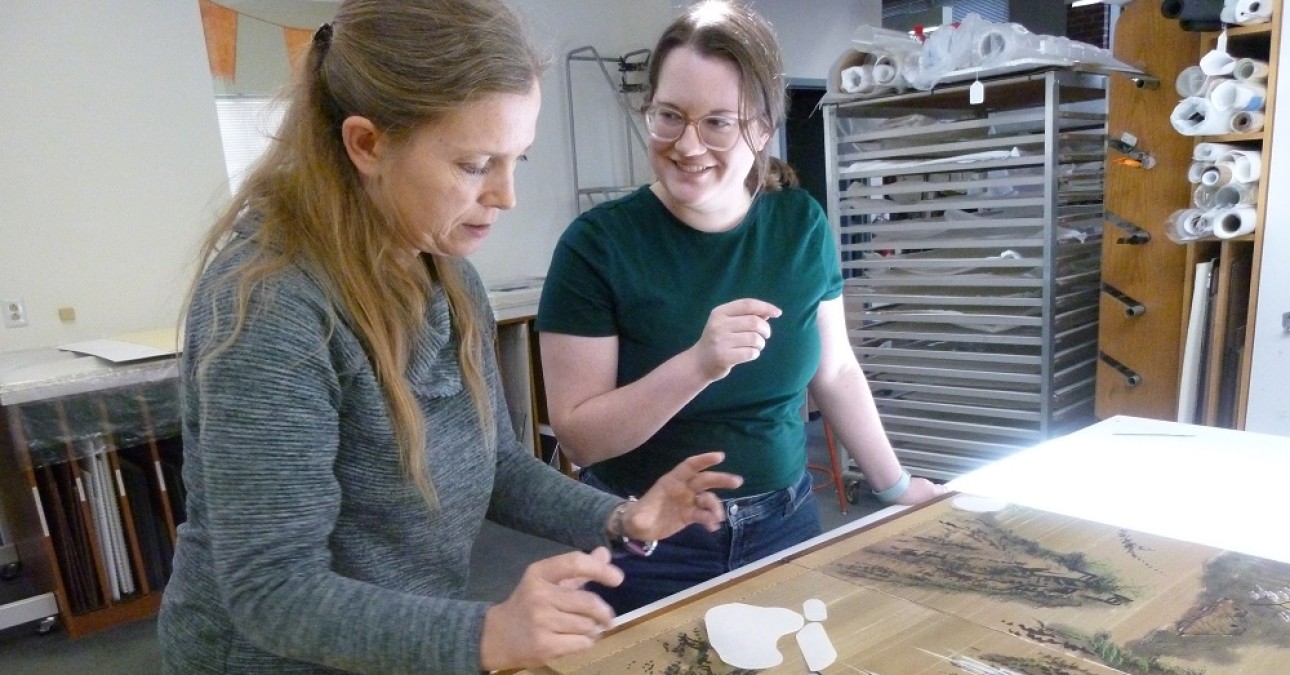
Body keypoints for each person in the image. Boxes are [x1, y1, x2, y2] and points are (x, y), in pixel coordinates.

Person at [157, 1, 742, 673]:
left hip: (397, 646)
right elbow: (272, 589)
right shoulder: (272, 305)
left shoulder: (447, 275)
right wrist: (486, 635)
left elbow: (494, 462)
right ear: (367, 144)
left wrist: (621, 517)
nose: (507, 195)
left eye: (518, 158)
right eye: (475, 164)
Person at [536, 0, 945, 615]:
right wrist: (696, 365)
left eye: (717, 122)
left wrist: (894, 485)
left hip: (786, 525)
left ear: (760, 126)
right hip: (647, 541)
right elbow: (580, 437)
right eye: (668, 116)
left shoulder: (799, 224)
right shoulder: (597, 246)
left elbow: (833, 372)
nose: (687, 144)